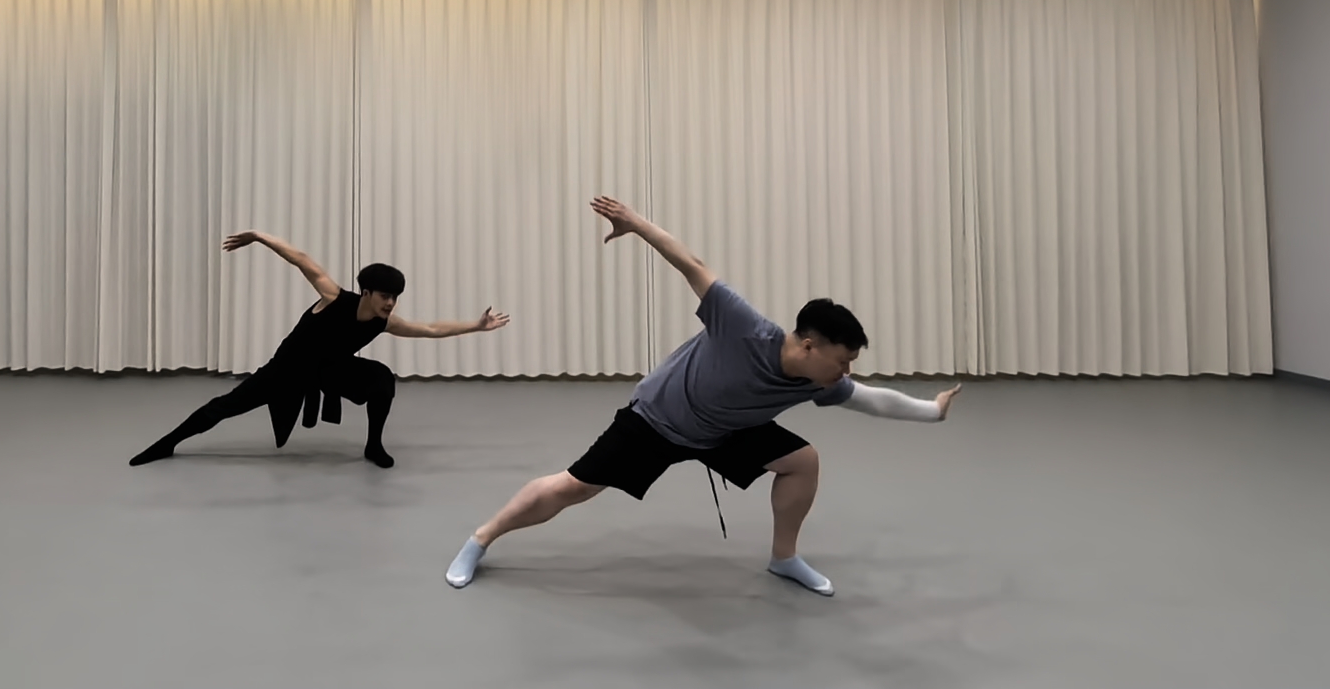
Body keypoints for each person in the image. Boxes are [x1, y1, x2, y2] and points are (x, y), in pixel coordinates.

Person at [444, 196, 960, 596]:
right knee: (573, 487)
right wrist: (635, 223)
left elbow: (870, 399)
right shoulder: (742, 325)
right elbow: (691, 263)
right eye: (842, 360)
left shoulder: (816, 380)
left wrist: (931, 411)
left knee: (802, 461)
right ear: (808, 345)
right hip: (656, 421)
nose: (846, 372)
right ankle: (480, 539)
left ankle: (784, 558)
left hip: (725, 432)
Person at [129, 230, 509, 470]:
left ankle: (374, 446)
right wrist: (259, 237)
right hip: (287, 370)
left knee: (381, 379)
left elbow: (430, 329)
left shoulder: (384, 322)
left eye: (394, 297)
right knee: (224, 407)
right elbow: (302, 260)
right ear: (367, 292)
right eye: (385, 296)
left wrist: (476, 326)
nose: (391, 303)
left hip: (331, 372)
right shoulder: (333, 297)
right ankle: (168, 444)